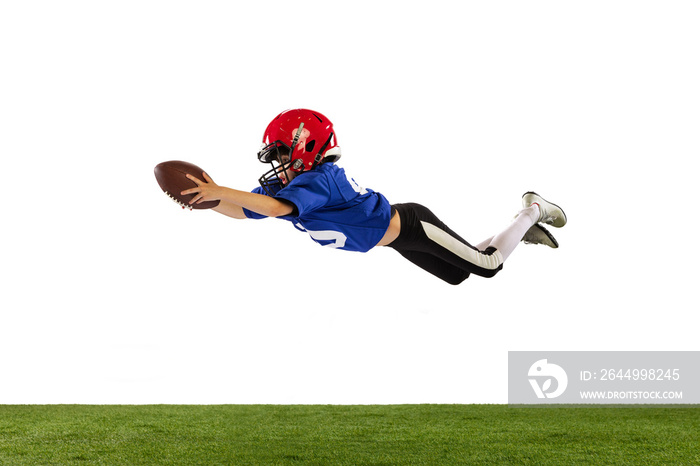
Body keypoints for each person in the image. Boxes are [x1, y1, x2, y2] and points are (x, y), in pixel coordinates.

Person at [181, 109, 566, 285]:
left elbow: (274, 208)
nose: (279, 163)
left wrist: (218, 190)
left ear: (306, 146)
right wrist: (209, 202)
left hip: (413, 226)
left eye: (283, 153)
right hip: (397, 241)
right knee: (457, 275)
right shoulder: (287, 185)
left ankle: (531, 212)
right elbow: (246, 212)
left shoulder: (320, 179)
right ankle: (519, 234)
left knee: (487, 266)